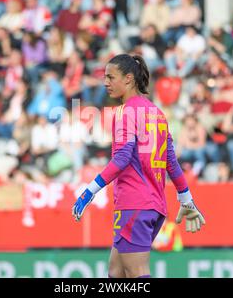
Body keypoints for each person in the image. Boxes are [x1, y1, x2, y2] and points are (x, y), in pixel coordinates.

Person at [71, 54, 205, 278]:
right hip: (153, 205)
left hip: (134, 203)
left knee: (137, 274)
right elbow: (170, 162)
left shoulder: (126, 112)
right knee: (116, 271)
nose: (105, 82)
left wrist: (90, 190)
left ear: (128, 79)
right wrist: (186, 199)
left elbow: (122, 158)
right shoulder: (157, 113)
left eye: (110, 77)